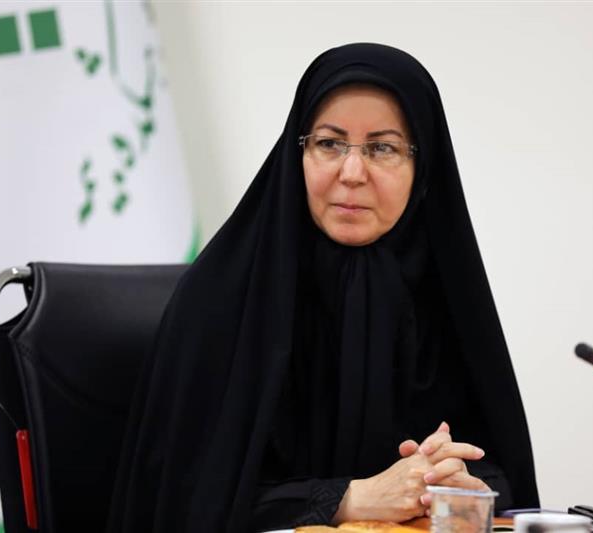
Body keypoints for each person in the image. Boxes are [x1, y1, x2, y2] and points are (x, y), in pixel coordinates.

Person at [107, 43, 539, 533]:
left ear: (423, 169)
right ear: (298, 153)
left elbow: (504, 474)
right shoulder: (221, 301)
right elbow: (182, 501)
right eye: (329, 144)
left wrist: (458, 484)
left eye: (382, 148)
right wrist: (350, 498)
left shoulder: (444, 298)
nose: (351, 174)